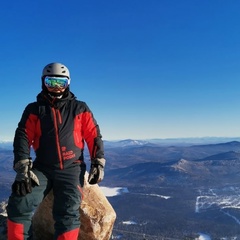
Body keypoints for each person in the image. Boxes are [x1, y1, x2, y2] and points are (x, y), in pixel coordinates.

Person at [6, 62, 106, 240]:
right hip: (42, 168)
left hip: (72, 168)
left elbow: (93, 135)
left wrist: (98, 161)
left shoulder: (80, 108)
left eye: (61, 83)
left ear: (69, 83)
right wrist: (23, 167)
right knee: (19, 203)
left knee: (67, 213)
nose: (57, 88)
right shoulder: (34, 109)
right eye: (51, 82)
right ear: (43, 82)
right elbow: (23, 136)